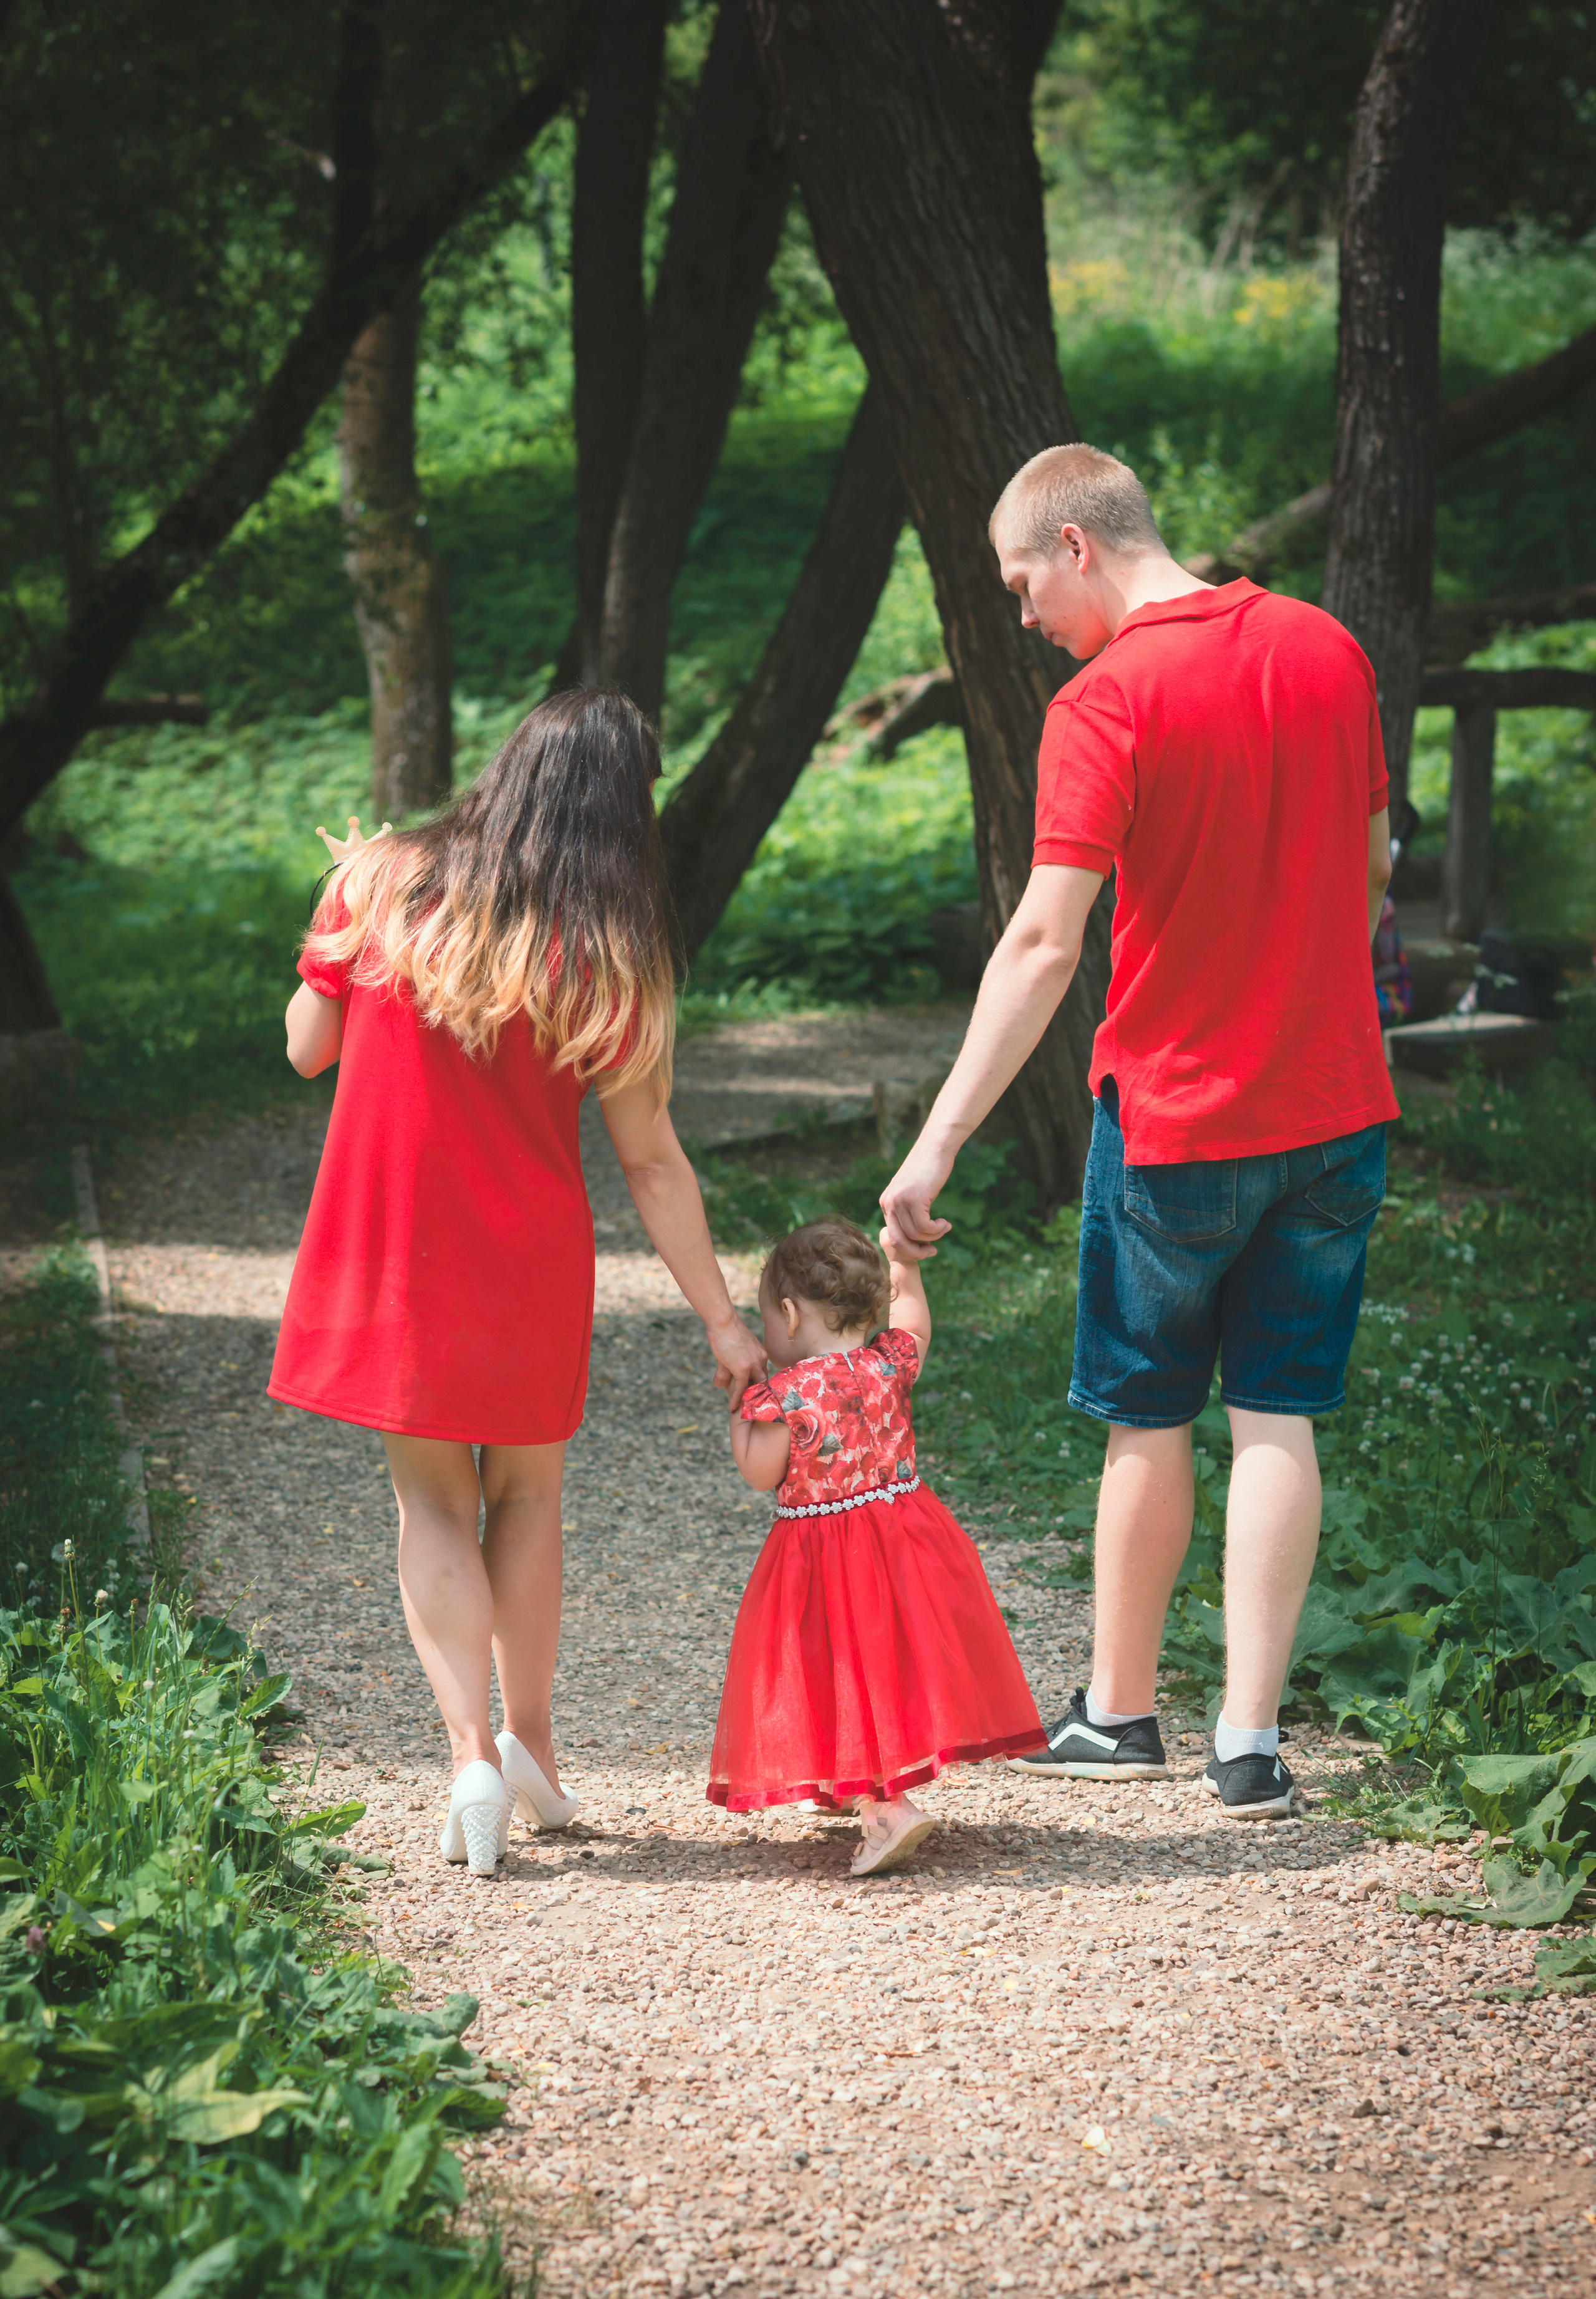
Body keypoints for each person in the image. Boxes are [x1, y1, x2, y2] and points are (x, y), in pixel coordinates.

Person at [880, 444, 1397, 1821]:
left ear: (1077, 543)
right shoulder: (1326, 648)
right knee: (1278, 1412)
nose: (1023, 615)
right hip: (1334, 1110)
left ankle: (1118, 1713)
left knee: (1147, 1413)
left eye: (1020, 583)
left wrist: (938, 1140)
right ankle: (1249, 1740)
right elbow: (1372, 869)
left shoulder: (1105, 700)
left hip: (1178, 1119)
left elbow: (1044, 941)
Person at [269, 689, 766, 1876]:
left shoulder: (379, 883)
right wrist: (724, 1319)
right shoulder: (611, 956)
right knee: (530, 1497)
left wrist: (340, 904)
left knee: (433, 1505)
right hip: (532, 1258)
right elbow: (652, 1162)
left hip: (399, 1246)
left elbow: (304, 1046)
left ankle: (468, 1759)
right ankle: (531, 1740)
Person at [708, 1217, 1042, 1874]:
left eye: (766, 1317)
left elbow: (759, 1472)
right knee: (887, 1670)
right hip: (907, 1539)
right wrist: (905, 1265)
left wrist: (740, 1404)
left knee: (842, 1669)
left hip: (826, 1558)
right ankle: (854, 1780)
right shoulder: (888, 1362)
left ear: (788, 1313)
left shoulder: (786, 1396)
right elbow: (916, 1325)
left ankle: (888, 1809)